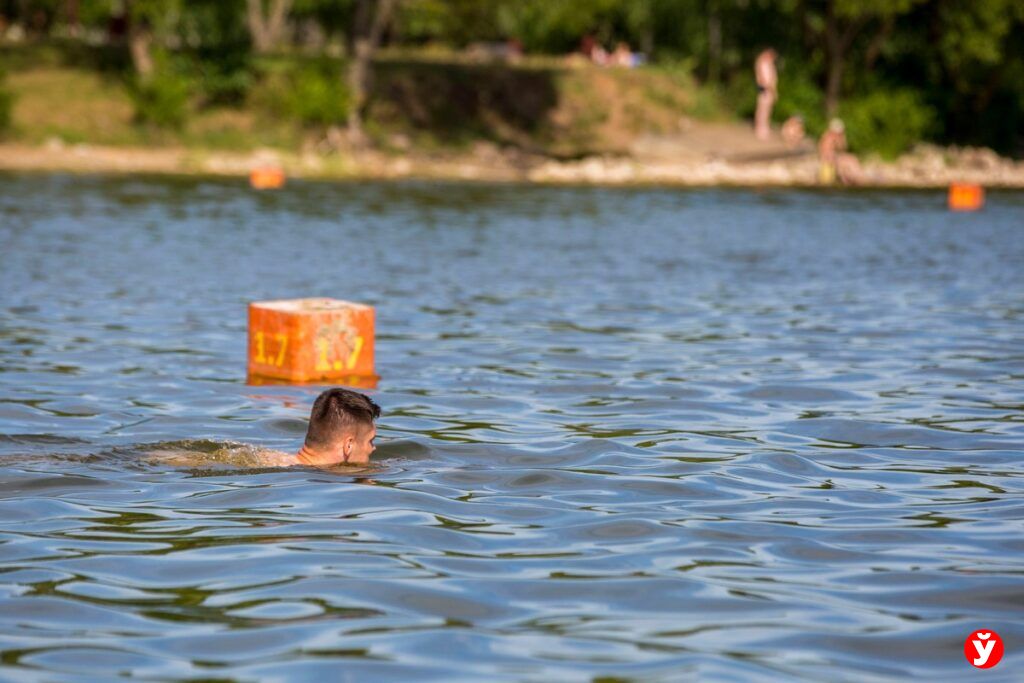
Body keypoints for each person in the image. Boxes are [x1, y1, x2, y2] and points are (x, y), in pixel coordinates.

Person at [754, 48, 778, 140]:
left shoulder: (766, 64)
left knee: (766, 109)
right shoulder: (763, 63)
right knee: (763, 109)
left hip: (768, 89)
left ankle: (764, 128)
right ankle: (760, 129)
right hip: (765, 89)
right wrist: (772, 89)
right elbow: (765, 80)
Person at [818, 118, 846, 185]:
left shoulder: (830, 137)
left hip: (830, 163)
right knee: (826, 181)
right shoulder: (828, 138)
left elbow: (842, 147)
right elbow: (826, 152)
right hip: (827, 163)